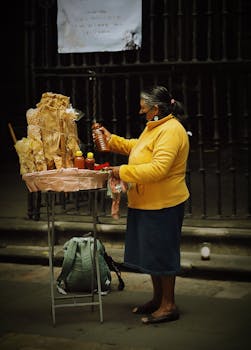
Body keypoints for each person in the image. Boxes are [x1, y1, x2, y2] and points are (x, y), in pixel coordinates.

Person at [94, 85, 190, 324]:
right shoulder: (156, 127)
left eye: (143, 107)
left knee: (164, 255)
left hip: (163, 204)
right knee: (153, 256)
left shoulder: (171, 130)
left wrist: (121, 171)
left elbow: (158, 169)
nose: (141, 111)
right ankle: (158, 299)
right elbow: (137, 148)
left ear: (155, 108)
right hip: (147, 203)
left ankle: (169, 305)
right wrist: (112, 140)